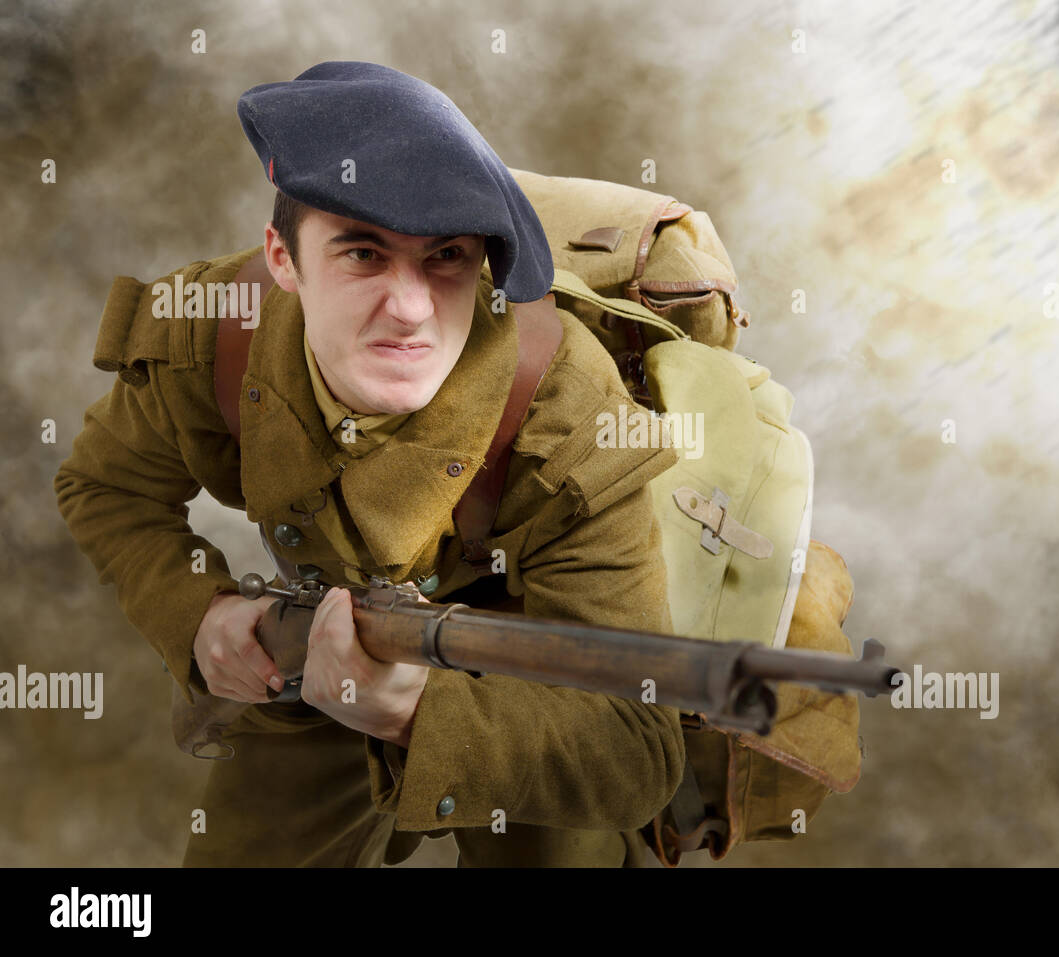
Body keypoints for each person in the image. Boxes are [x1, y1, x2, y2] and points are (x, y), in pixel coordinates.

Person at [53, 61, 686, 867]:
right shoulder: (211, 335)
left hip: (537, 675)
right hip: (321, 632)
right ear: (284, 260)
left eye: (448, 256)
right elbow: (102, 486)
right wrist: (196, 610)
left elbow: (636, 745)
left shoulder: (572, 419)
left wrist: (417, 713)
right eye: (362, 254)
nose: (412, 307)